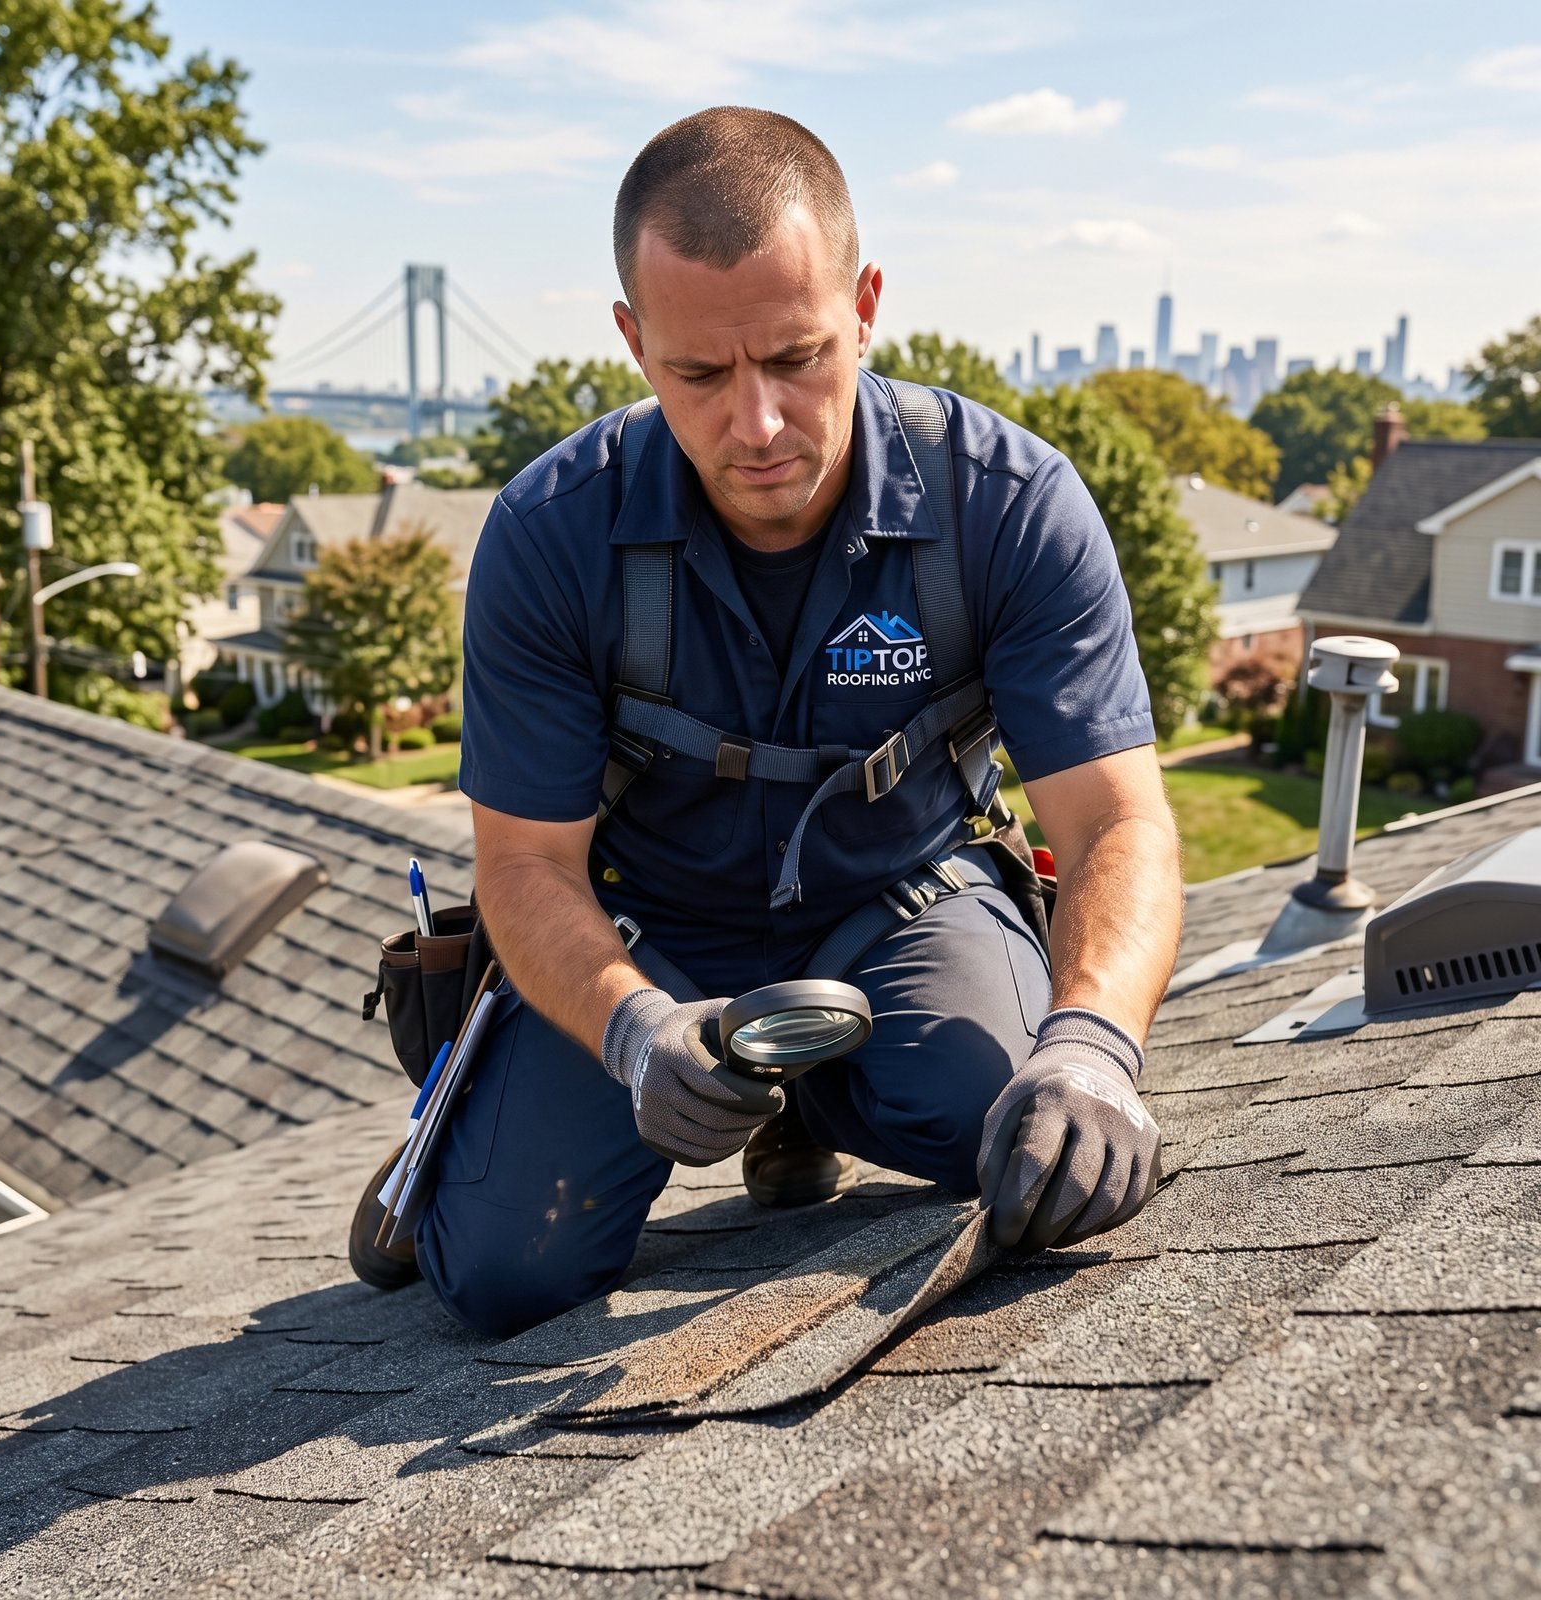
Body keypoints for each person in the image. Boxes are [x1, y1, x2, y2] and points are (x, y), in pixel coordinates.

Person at [350, 107, 1182, 1337]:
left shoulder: (1006, 506)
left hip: (899, 898)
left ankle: (805, 1097)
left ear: (867, 304)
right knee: (503, 1274)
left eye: (796, 355)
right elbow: (525, 864)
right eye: (697, 372)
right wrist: (634, 1034)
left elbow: (1117, 819)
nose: (758, 425)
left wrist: (1093, 1047)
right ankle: (480, 1140)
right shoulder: (547, 537)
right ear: (633, 342)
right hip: (649, 928)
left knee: (1027, 1138)